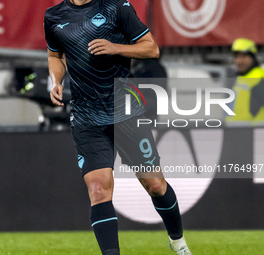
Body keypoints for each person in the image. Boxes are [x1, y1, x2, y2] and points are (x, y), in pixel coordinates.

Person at [45, 0, 192, 254]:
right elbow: (55, 55)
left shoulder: (116, 7)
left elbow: (151, 49)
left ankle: (178, 242)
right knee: (98, 189)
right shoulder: (54, 16)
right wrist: (56, 81)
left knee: (155, 185)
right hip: (86, 115)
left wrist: (116, 47)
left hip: (126, 111)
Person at [226, 38, 264, 124]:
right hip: (236, 130)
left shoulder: (260, 78)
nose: (239, 61)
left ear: (253, 58)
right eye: (237, 57)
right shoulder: (239, 77)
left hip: (253, 132)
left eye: (243, 56)